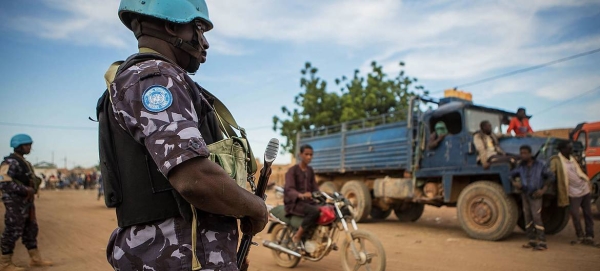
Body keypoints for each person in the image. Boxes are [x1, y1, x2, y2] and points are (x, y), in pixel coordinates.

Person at [99, 1, 268, 270]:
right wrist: (256, 208)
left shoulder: (157, 78)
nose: (205, 43)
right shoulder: (155, 79)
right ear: (171, 25)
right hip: (175, 258)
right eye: (199, 29)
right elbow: (194, 179)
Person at [0, 134, 53, 271]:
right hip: (15, 202)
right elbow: (4, 183)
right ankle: (5, 262)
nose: (29, 147)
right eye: (26, 145)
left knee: (31, 229)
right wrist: (25, 189)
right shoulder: (10, 162)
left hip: (26, 202)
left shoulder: (24, 162)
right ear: (18, 146)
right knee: (12, 230)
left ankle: (35, 259)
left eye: (30, 145)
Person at [550, 141, 596, 246]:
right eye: (569, 148)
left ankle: (590, 235)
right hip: (573, 192)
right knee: (575, 214)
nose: (571, 150)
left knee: (588, 214)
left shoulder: (572, 158)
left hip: (584, 189)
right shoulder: (556, 161)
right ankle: (580, 235)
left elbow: (580, 171)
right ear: (562, 150)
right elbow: (551, 172)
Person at [510, 145, 554, 251]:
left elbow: (551, 176)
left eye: (525, 153)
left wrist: (543, 190)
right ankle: (532, 241)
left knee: (536, 217)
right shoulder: (521, 166)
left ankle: (543, 242)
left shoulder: (540, 165)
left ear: (530, 154)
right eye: (521, 153)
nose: (523, 155)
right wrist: (515, 183)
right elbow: (510, 175)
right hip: (525, 194)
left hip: (536, 195)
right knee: (528, 217)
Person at [284, 144, 320, 250]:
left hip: (307, 202)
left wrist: (325, 195)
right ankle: (297, 236)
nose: (309, 157)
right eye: (306, 154)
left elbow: (315, 188)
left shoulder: (310, 170)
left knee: (326, 208)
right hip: (294, 203)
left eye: (311, 155)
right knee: (314, 212)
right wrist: (301, 195)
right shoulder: (292, 170)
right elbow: (289, 189)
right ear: (300, 155)